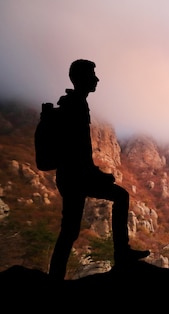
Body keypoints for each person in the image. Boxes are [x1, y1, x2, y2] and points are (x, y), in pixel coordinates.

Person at [48, 59, 149, 280]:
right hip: (75, 177)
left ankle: (55, 276)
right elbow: (78, 151)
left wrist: (97, 175)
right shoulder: (76, 106)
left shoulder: (75, 103)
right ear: (81, 77)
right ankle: (121, 254)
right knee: (117, 198)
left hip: (72, 176)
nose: (96, 78)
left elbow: (79, 152)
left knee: (70, 229)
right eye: (92, 74)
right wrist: (98, 176)